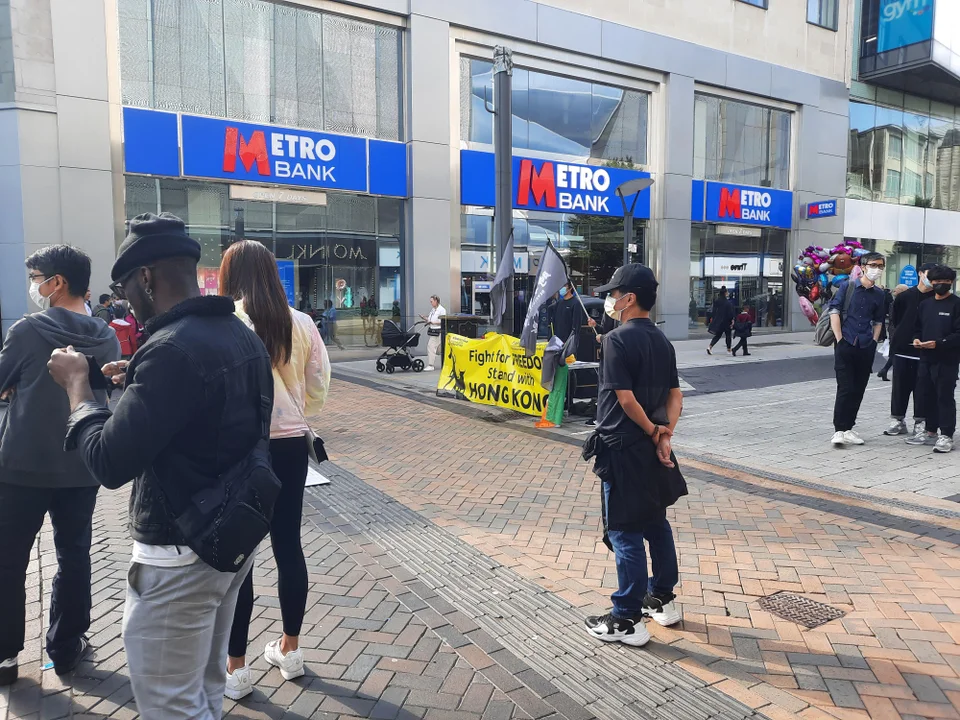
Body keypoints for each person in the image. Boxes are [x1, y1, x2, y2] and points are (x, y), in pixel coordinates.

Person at [45, 213, 273, 720]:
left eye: (126, 286)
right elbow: (213, 417)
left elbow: (108, 461)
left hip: (178, 548)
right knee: (206, 687)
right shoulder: (240, 337)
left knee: (171, 703)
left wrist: (78, 387)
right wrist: (140, 380)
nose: (126, 298)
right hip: (230, 537)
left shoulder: (171, 348)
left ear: (145, 277)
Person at [0, 246, 121, 686]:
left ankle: (4, 657)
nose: (34, 285)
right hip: (80, 464)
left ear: (57, 283)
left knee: (8, 560)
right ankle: (66, 647)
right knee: (74, 555)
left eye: (36, 277)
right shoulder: (105, 335)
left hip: (21, 467)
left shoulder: (29, 330)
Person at [218, 241, 330, 700]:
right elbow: (319, 386)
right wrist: (297, 409)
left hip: (243, 449)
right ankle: (291, 649)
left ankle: (236, 668)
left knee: (239, 557)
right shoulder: (300, 321)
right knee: (289, 545)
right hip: (290, 448)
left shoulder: (228, 322)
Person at [582, 264, 686, 648]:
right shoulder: (662, 341)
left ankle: (626, 618)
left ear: (629, 298)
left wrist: (652, 431)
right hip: (650, 446)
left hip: (623, 446)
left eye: (614, 293)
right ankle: (661, 599)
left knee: (624, 530)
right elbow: (675, 396)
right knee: (655, 522)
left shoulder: (616, 341)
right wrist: (663, 435)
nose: (610, 299)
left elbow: (624, 399)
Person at [829, 252, 887, 447]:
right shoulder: (848, 286)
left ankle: (849, 428)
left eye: (880, 266)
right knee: (845, 388)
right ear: (863, 266)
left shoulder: (880, 294)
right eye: (873, 265)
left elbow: (878, 320)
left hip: (865, 345)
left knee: (859, 389)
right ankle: (839, 429)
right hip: (846, 343)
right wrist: (840, 339)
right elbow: (834, 311)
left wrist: (873, 341)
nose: (876, 269)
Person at [908, 265, 960, 453]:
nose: (940, 285)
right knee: (925, 394)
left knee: (944, 396)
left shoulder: (956, 304)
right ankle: (930, 431)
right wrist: (916, 340)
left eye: (945, 282)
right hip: (925, 358)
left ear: (951, 283)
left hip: (947, 360)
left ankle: (946, 434)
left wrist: (939, 343)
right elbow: (917, 328)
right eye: (936, 281)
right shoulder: (925, 305)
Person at [885, 267, 936, 438]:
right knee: (899, 388)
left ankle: (920, 422)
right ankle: (898, 420)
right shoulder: (904, 296)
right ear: (920, 274)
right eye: (929, 275)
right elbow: (896, 319)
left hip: (924, 350)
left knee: (922, 388)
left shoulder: (935, 298)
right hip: (902, 350)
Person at [877, 284, 907, 382]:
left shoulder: (895, 302)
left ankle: (884, 370)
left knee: (894, 352)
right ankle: (885, 370)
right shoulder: (897, 303)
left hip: (894, 329)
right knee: (896, 351)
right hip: (896, 330)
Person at [420, 295, 446, 371]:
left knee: (430, 346)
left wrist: (433, 322)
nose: (431, 303)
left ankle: (431, 365)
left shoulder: (442, 310)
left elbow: (442, 322)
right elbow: (430, 319)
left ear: (436, 301)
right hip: (433, 331)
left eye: (431, 301)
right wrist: (425, 318)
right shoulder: (433, 310)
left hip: (438, 331)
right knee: (438, 348)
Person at [706, 287, 734, 355]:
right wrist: (732, 320)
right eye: (727, 292)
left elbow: (713, 311)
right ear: (725, 293)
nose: (727, 293)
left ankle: (710, 346)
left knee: (718, 335)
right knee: (728, 335)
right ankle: (729, 349)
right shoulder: (728, 303)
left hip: (719, 321)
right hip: (726, 321)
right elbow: (730, 313)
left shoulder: (717, 301)